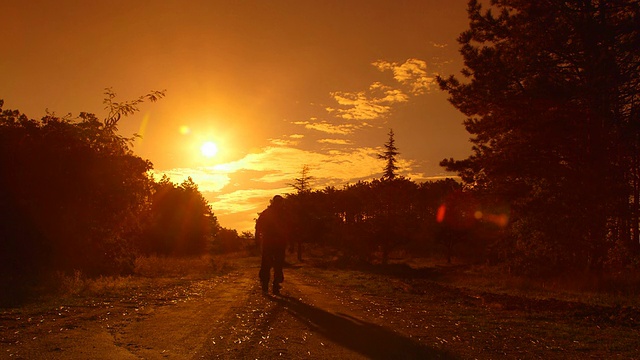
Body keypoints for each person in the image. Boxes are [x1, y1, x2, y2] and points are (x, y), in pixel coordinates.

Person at [255, 195, 290, 295]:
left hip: (274, 242)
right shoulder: (271, 213)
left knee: (275, 264)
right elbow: (258, 226)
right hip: (272, 242)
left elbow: (258, 227)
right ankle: (268, 285)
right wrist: (257, 238)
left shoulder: (271, 213)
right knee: (270, 264)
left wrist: (257, 239)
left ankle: (272, 285)